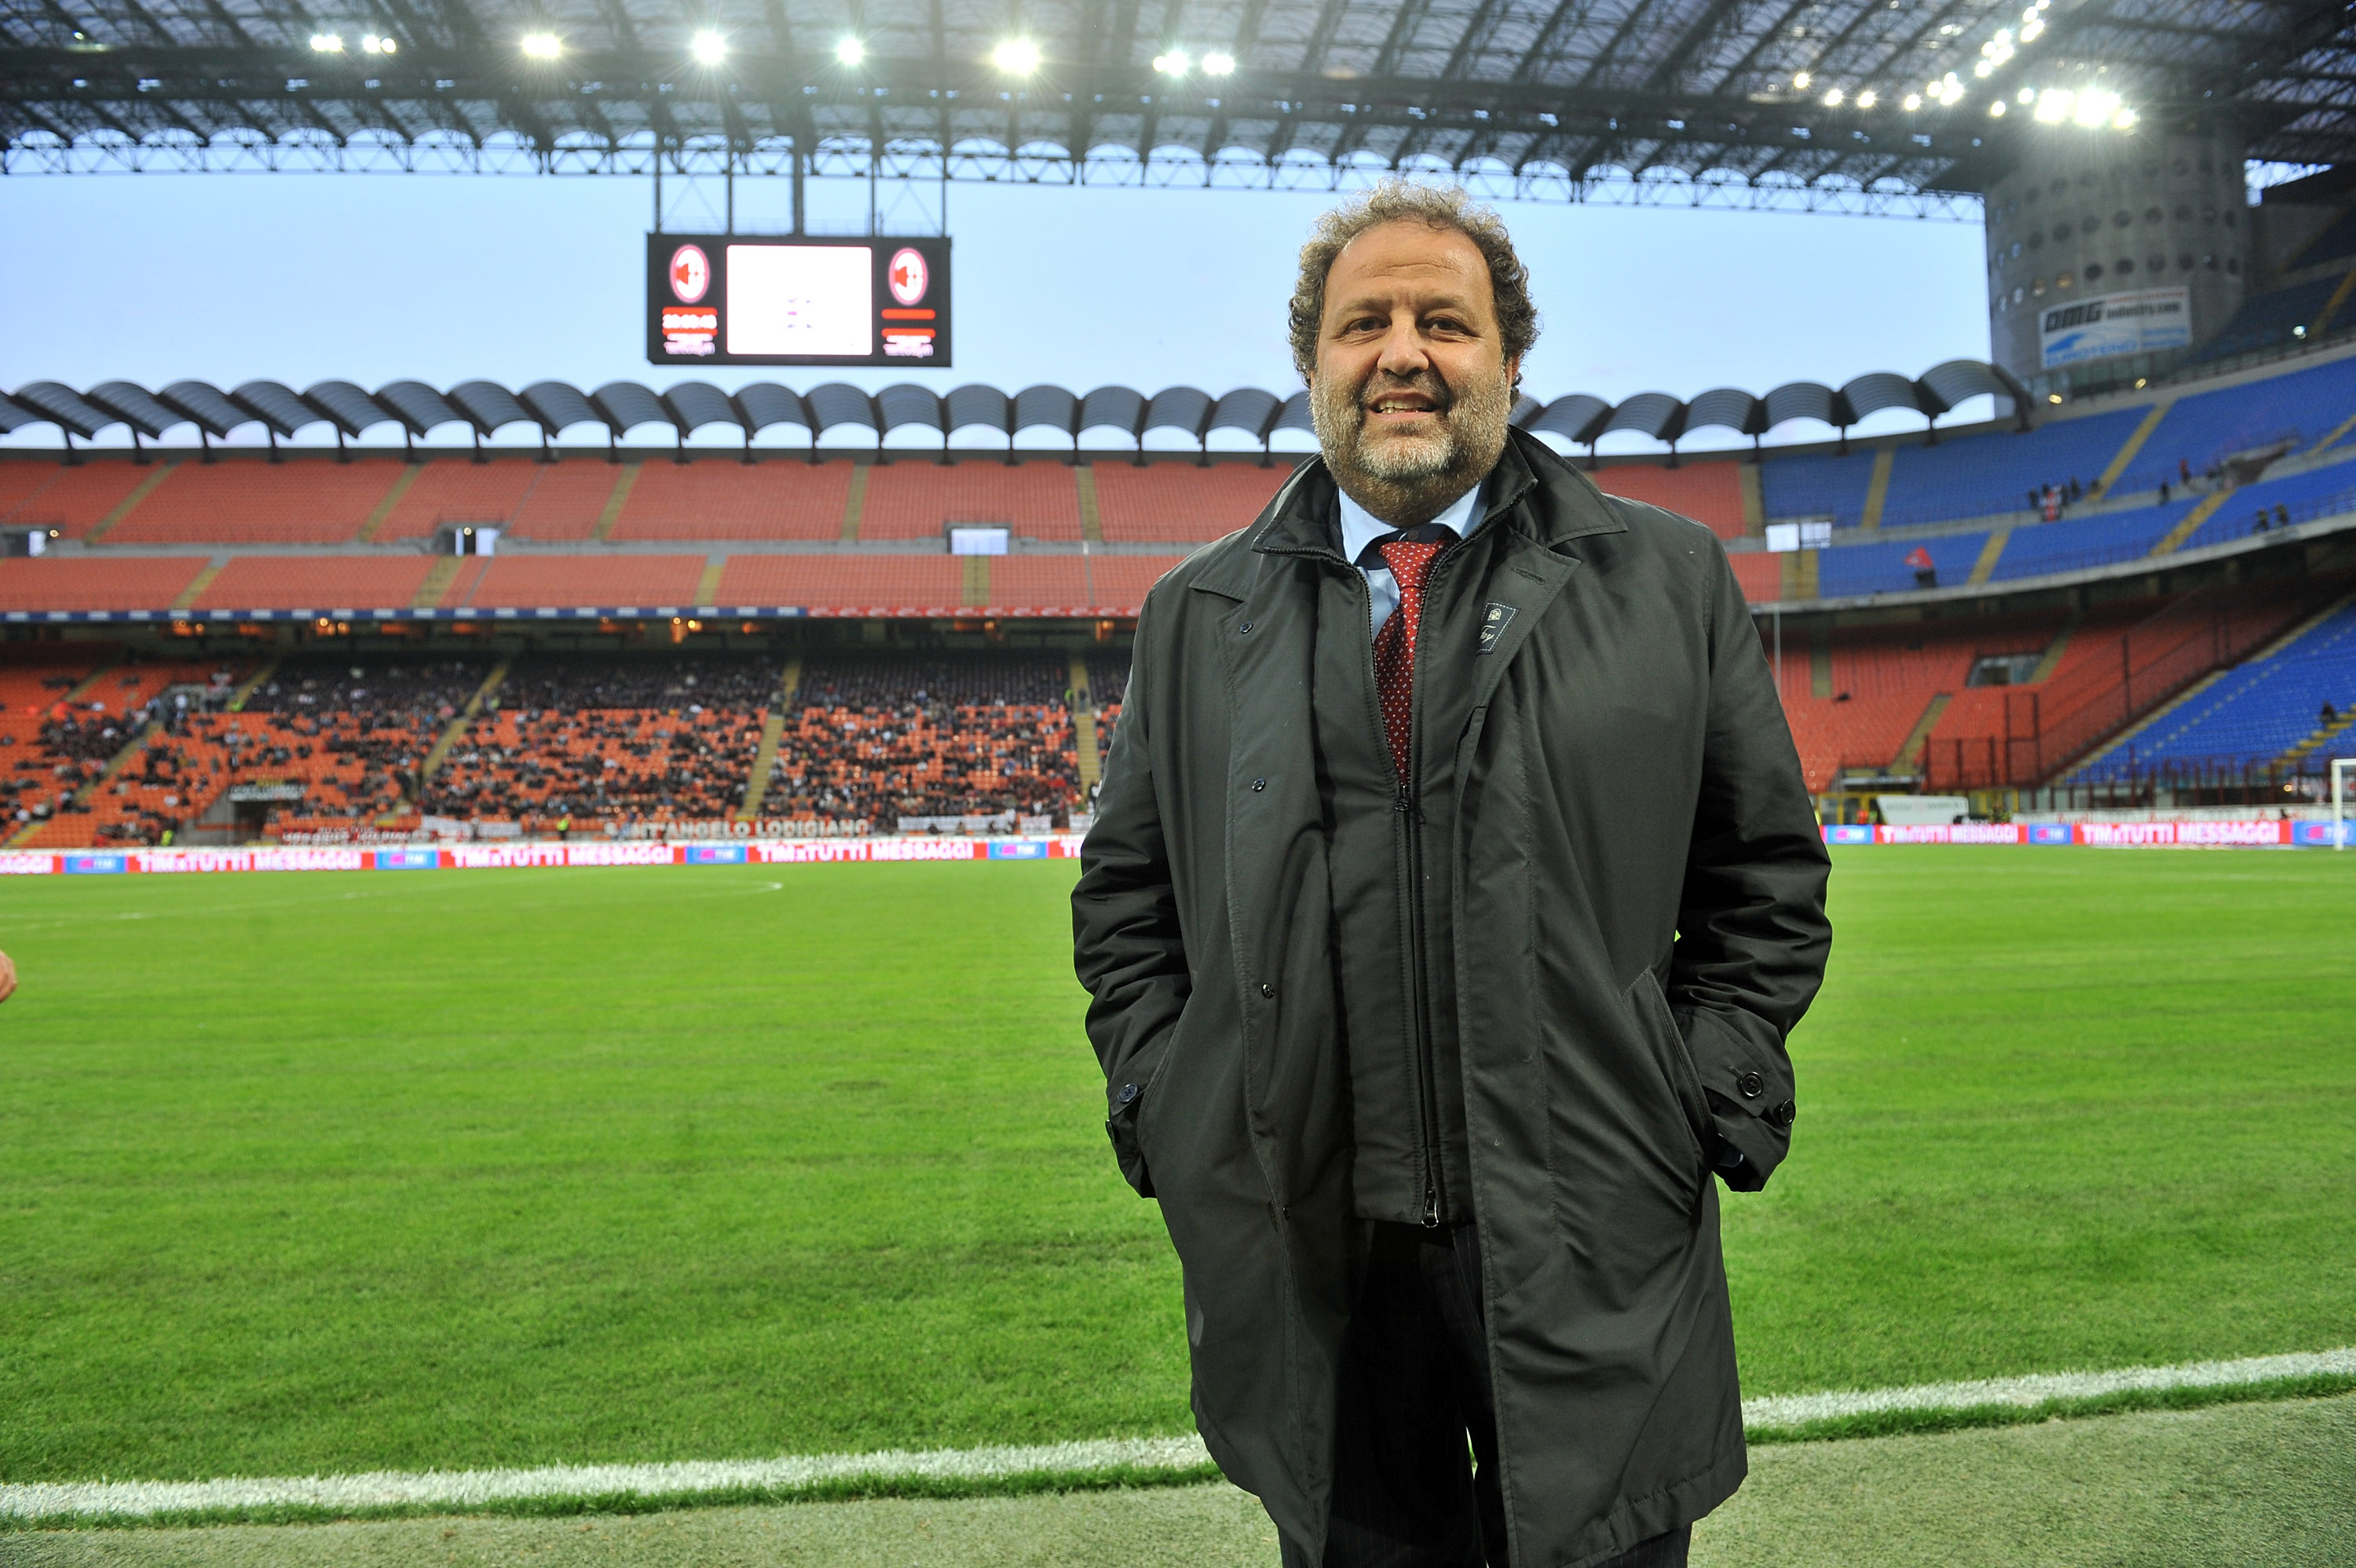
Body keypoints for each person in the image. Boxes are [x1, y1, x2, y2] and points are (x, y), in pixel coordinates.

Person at [1072, 183, 1832, 1568]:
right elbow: (1127, 901)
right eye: (1364, 323)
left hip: (1590, 1216)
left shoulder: (1663, 578)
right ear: (1313, 364)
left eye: (1445, 320)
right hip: (1315, 1246)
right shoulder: (1198, 611)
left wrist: (1691, 1097)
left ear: (1510, 358)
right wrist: (1168, 1102)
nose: (1403, 353)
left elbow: (1763, 881)